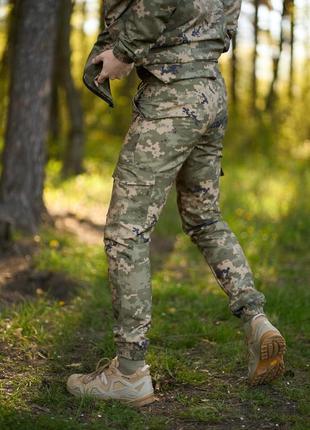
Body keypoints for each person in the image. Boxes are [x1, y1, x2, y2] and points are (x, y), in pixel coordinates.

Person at [67, 0, 286, 406]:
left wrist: (123, 51)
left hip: (172, 98)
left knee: (125, 231)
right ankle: (256, 319)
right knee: (204, 217)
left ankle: (129, 373)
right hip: (209, 89)